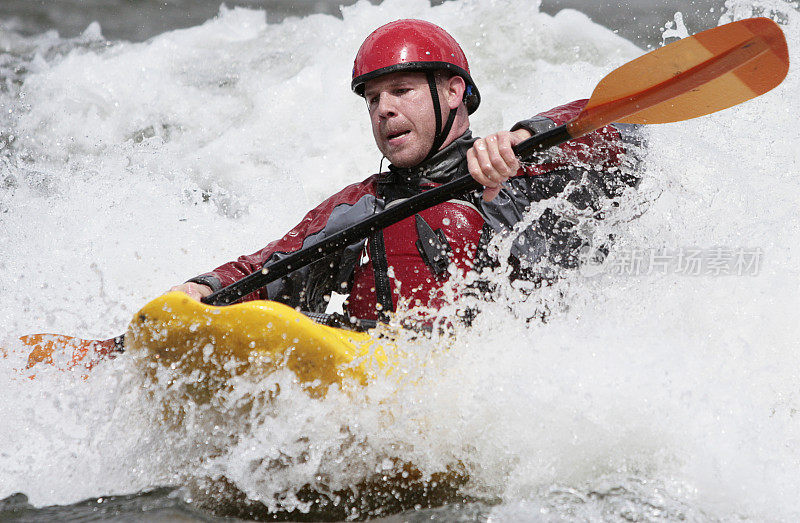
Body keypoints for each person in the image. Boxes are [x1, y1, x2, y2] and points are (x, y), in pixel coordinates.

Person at [170, 19, 642, 323]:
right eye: (373, 99)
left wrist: (528, 138)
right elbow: (267, 266)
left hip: (511, 378)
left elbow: (628, 133)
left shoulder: (528, 167)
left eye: (401, 90)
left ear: (453, 92)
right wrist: (200, 289)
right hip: (385, 375)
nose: (384, 110)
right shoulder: (358, 206)